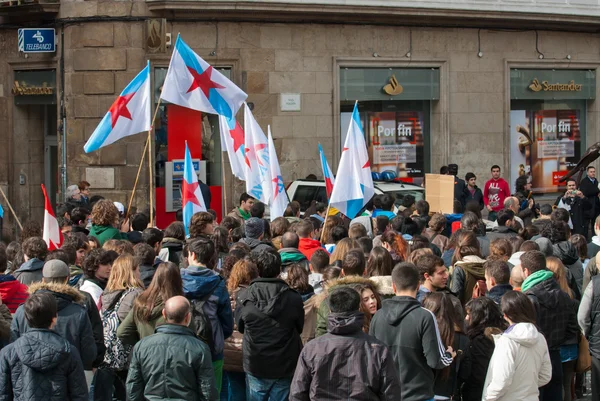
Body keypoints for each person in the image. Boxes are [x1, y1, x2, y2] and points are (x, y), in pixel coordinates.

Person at [289, 287, 401, 401]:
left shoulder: (312, 349)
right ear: (359, 308)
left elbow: (297, 394)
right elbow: (391, 394)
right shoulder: (378, 349)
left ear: (331, 311)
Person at [369, 262, 454, 401]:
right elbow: (436, 361)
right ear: (418, 286)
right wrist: (449, 355)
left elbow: (371, 360)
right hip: (418, 395)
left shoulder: (377, 317)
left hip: (386, 394)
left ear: (394, 287)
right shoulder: (425, 317)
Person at [235, 248, 304, 400]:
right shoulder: (293, 298)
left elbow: (240, 327)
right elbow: (300, 327)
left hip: (259, 364)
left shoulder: (244, 296)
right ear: (279, 269)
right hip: (281, 364)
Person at [10, 260, 98, 370]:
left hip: (28, 376)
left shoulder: (23, 310)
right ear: (67, 279)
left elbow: (13, 346)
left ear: (43, 280)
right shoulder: (78, 312)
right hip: (68, 376)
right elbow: (88, 352)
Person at [126, 296, 218, 401]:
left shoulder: (141, 346)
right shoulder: (200, 349)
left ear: (164, 314)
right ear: (188, 317)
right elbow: (207, 390)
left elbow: (133, 387)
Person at [0, 292, 88, 400]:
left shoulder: (8, 353)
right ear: (54, 318)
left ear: (26, 318)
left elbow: (3, 394)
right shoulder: (69, 351)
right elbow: (80, 395)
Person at [521, 250, 579, 401]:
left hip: (535, 359)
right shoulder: (564, 296)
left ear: (526, 271)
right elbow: (572, 329)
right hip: (555, 355)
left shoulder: (529, 298)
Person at [183, 238, 233, 395]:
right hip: (212, 347)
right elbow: (227, 322)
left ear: (192, 255)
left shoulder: (177, 279)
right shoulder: (218, 283)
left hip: (182, 346)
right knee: (212, 393)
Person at [482, 291, 552, 401]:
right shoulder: (540, 338)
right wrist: (526, 386)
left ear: (505, 315)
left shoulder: (507, 341)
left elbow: (501, 381)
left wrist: (487, 397)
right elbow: (545, 375)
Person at [117, 262, 183, 345]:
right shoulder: (179, 305)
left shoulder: (141, 302)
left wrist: (141, 344)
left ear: (155, 277)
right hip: (173, 354)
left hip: (145, 354)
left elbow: (121, 332)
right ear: (178, 280)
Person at [423, 293, 470, 400]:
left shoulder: (421, 334)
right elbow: (465, 373)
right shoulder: (462, 338)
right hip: (448, 394)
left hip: (422, 393)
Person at [578, 270, 600, 397]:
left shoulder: (595, 283)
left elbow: (582, 316)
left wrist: (587, 333)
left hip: (597, 344)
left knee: (597, 389)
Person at [450, 231, 486, 305]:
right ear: (477, 245)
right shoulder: (489, 266)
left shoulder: (459, 269)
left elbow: (456, 298)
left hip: (466, 313)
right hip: (488, 312)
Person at [580, 166, 600, 238]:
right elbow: (586, 192)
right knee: (586, 226)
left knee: (595, 224)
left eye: (594, 171)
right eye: (591, 172)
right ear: (587, 173)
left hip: (596, 207)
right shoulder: (584, 181)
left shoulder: (596, 181)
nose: (593, 173)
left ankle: (595, 239)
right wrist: (596, 190)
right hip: (587, 207)